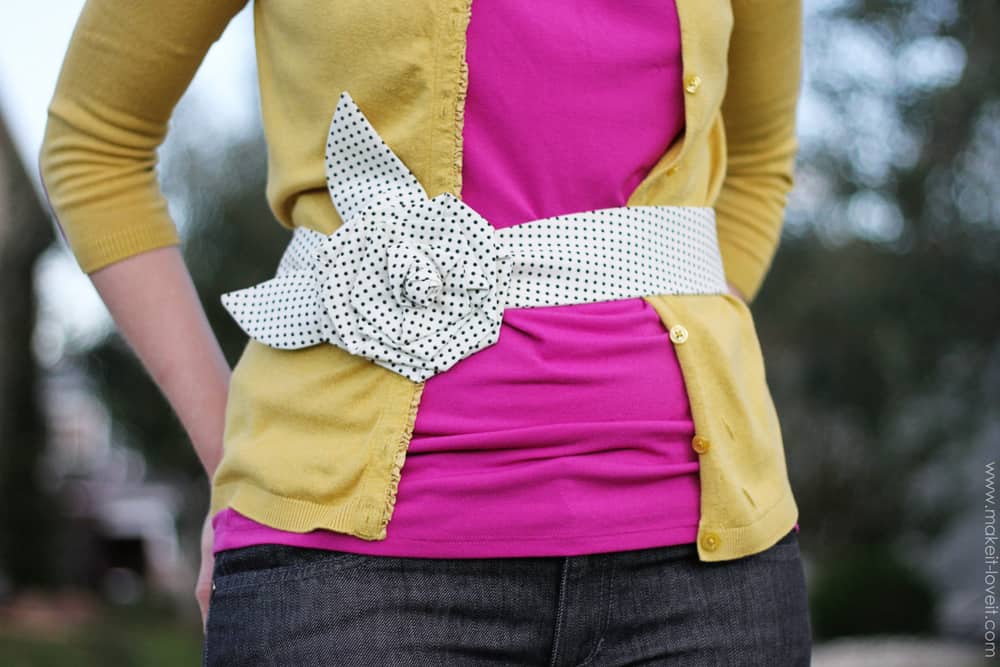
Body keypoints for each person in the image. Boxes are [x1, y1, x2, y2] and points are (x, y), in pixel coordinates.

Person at [39, 0, 810, 664]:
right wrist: (227, 452)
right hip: (344, 589)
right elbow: (95, 143)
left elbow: (760, 159)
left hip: (710, 584)